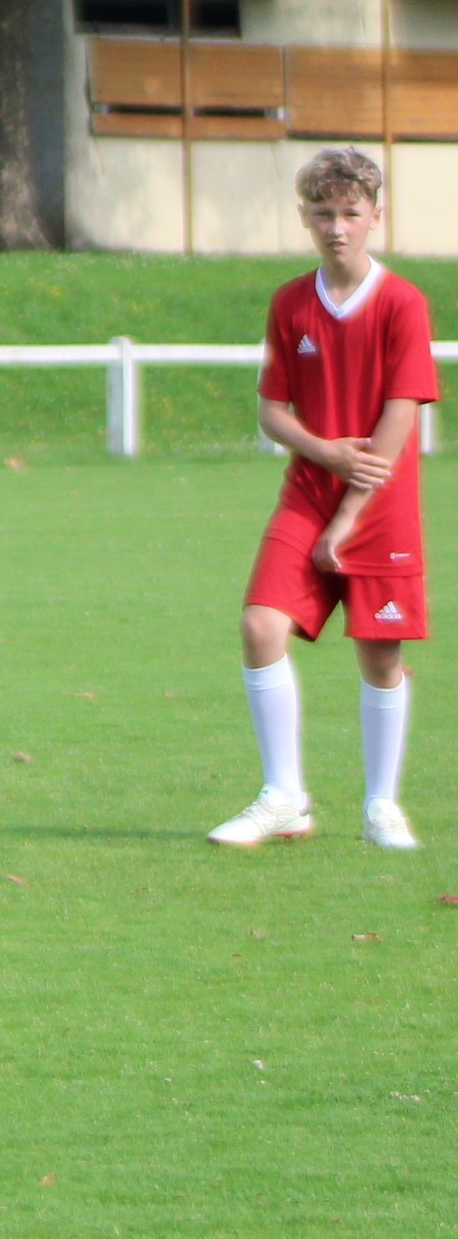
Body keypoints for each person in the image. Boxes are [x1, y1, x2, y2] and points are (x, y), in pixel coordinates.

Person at [211, 147, 436, 851]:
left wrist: (347, 517)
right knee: (259, 628)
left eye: (349, 213)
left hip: (381, 508)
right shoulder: (291, 303)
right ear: (306, 218)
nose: (336, 227)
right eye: (322, 213)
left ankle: (381, 807)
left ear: (375, 216)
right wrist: (326, 454)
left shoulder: (403, 304)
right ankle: (284, 796)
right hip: (307, 493)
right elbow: (273, 410)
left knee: (379, 657)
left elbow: (399, 421)